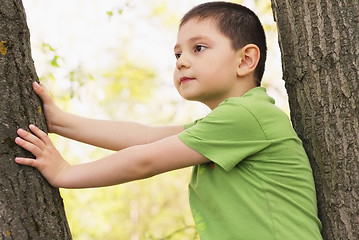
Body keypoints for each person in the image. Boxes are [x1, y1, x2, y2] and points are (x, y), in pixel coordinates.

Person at [15, 2, 323, 239]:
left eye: (198, 48)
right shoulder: (229, 125)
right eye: (177, 54)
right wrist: (59, 122)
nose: (182, 61)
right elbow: (146, 137)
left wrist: (65, 173)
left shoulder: (249, 116)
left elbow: (145, 159)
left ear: (244, 60)